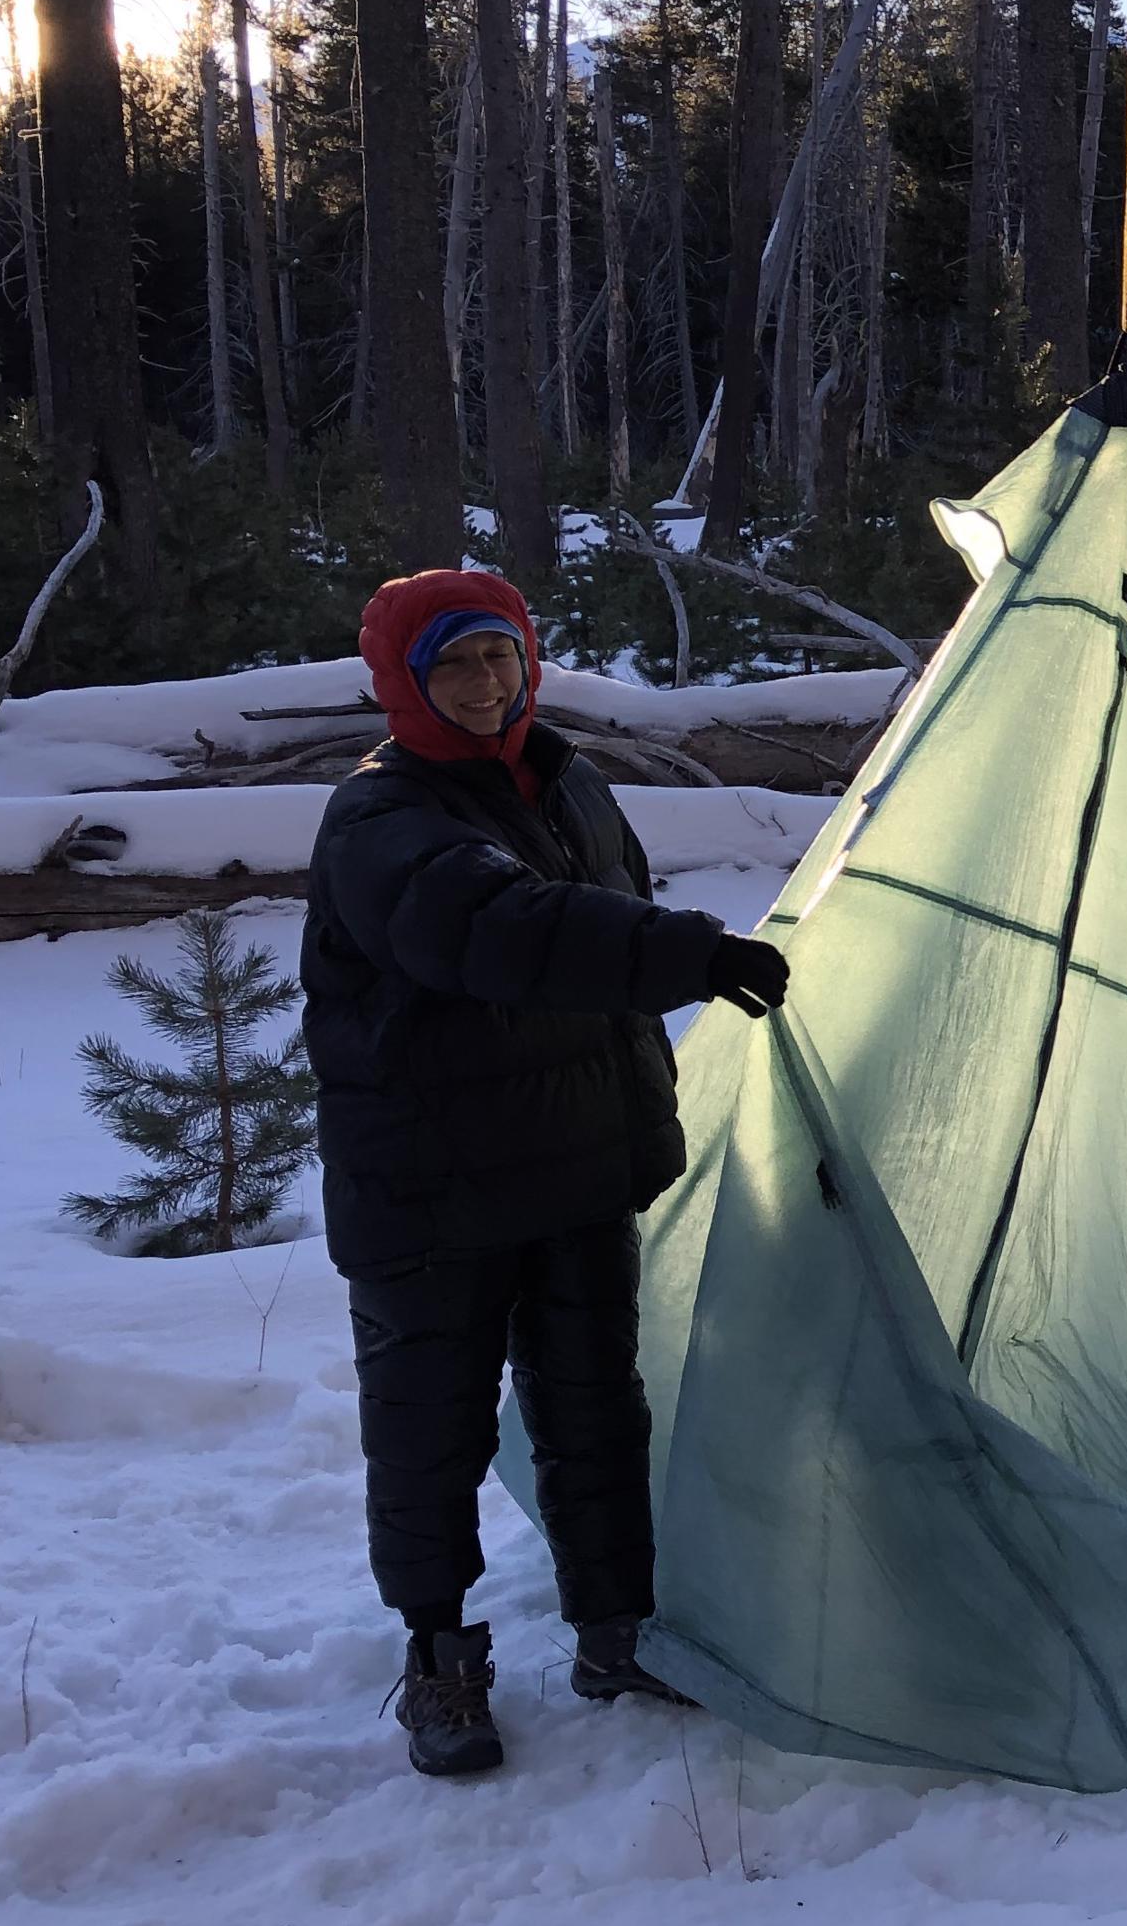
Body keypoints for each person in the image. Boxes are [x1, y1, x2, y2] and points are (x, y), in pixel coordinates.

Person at [302, 571, 792, 1777]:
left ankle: (615, 1630)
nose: (485, 685)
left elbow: (597, 916)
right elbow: (493, 928)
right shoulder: (381, 818)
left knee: (594, 1406)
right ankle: (437, 1659)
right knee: (429, 1431)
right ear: (404, 686)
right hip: (430, 1186)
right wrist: (681, 953)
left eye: (500, 658)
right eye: (454, 667)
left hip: (572, 1163)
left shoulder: (568, 781)